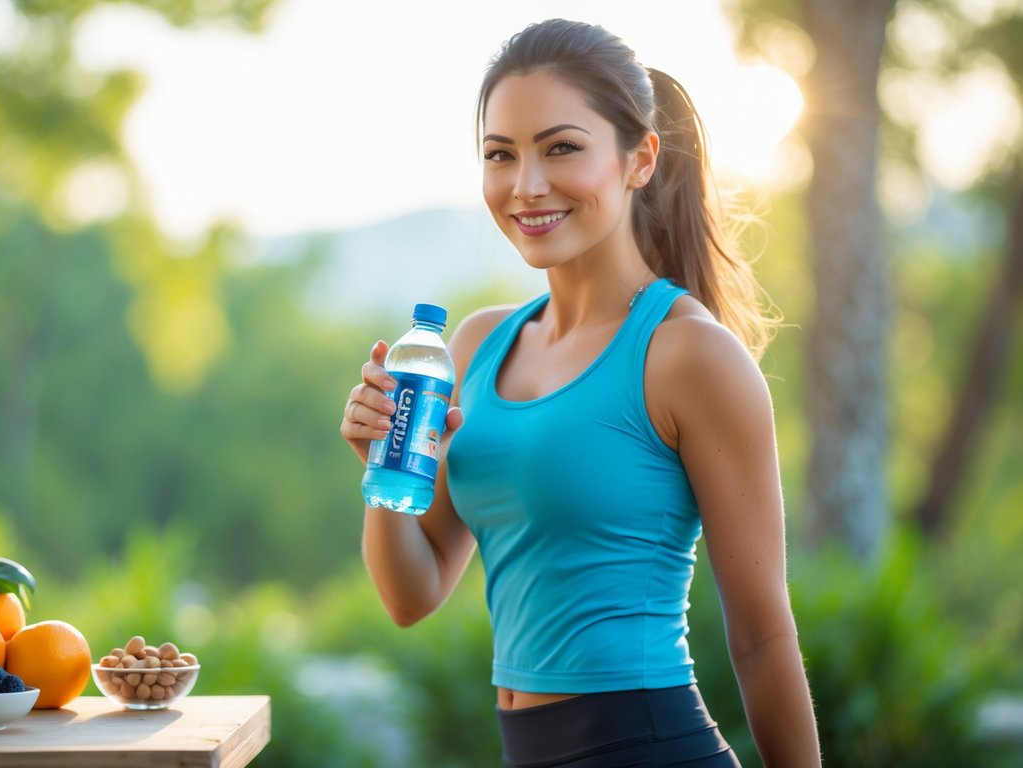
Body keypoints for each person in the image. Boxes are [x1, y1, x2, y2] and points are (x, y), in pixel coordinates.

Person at [339, 19, 821, 767]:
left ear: (639, 159)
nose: (526, 185)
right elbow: (412, 594)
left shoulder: (688, 356)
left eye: (560, 148)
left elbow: (761, 637)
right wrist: (382, 466)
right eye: (500, 154)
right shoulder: (477, 345)